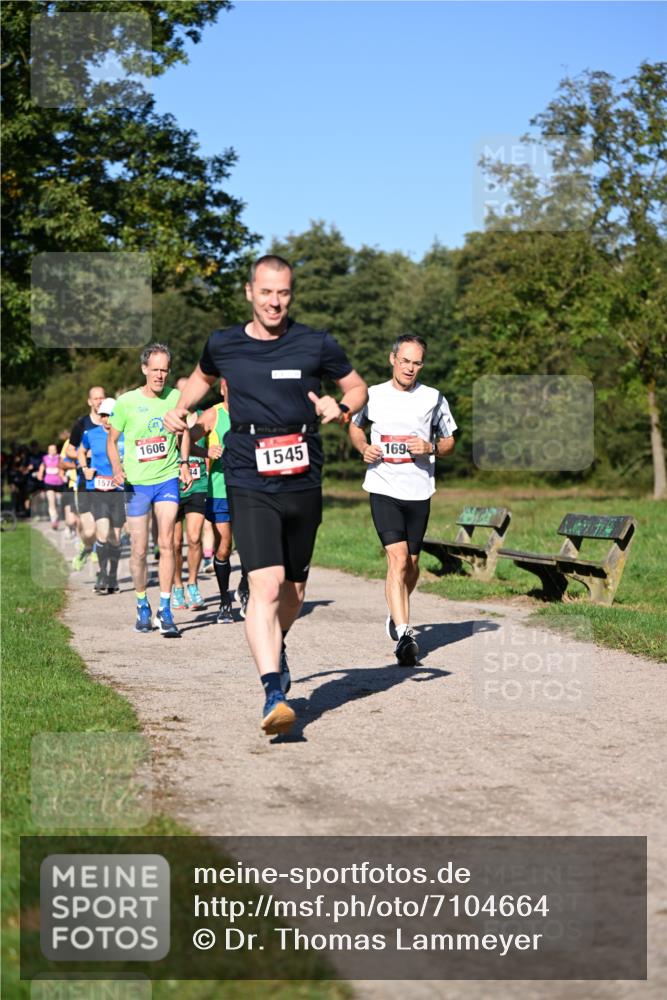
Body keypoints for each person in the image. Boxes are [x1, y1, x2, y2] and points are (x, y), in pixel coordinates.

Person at [165, 254, 367, 736]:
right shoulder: (224, 343)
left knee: (294, 592)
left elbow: (358, 388)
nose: (275, 301)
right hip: (246, 472)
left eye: (283, 293)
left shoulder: (315, 342)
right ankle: (273, 692)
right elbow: (200, 377)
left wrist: (338, 406)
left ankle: (277, 644)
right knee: (267, 585)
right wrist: (180, 407)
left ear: (290, 295)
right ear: (250, 293)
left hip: (302, 474)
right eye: (266, 292)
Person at [349, 334, 457, 665]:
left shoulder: (434, 398)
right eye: (405, 361)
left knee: (411, 564)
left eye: (417, 362)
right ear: (392, 360)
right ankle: (404, 633)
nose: (410, 368)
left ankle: (396, 611)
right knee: (396, 560)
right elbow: (355, 427)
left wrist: (432, 447)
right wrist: (363, 447)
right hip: (383, 487)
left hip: (419, 490)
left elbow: (450, 439)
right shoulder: (373, 395)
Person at [107, 344, 189, 637]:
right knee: (140, 549)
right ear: (144, 369)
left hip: (166, 477)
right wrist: (117, 468)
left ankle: (165, 609)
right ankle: (142, 603)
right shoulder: (126, 402)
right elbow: (112, 439)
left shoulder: (176, 397)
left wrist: (183, 462)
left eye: (164, 370)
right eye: (154, 370)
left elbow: (185, 431)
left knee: (167, 543)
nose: (159, 375)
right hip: (138, 484)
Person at [185, 378, 237, 623]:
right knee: (225, 545)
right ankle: (225, 601)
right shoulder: (213, 414)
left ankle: (246, 587)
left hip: (251, 489)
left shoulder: (256, 412)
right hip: (220, 490)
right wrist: (206, 452)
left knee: (252, 544)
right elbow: (185, 441)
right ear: (223, 387)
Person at [79, 398, 126, 595]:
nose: (107, 420)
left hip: (119, 491)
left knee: (115, 538)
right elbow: (81, 452)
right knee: (102, 533)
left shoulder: (126, 435)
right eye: (104, 416)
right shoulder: (91, 434)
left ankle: (113, 575)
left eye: (110, 415)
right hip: (97, 489)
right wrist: (85, 469)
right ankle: (101, 573)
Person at [171, 378, 207, 614]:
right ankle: (176, 586)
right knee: (174, 543)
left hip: (198, 484)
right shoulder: (170, 418)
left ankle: (192, 583)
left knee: (194, 538)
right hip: (172, 486)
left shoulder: (204, 417)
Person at [68, 386, 106, 570]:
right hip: (86, 480)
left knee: (104, 524)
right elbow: (69, 449)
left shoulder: (111, 423)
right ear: (89, 402)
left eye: (102, 398)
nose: (99, 401)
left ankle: (98, 556)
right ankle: (86, 546)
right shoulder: (82, 424)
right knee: (89, 529)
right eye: (96, 398)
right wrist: (85, 455)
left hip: (106, 480)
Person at [38, 444, 65, 529]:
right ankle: (54, 520)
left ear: (56, 450)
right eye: (50, 450)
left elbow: (62, 467)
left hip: (59, 482)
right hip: (48, 482)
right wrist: (40, 473)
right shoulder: (45, 458)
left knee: (59, 501)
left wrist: (62, 475)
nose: (52, 451)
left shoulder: (60, 458)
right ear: (48, 450)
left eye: (54, 449)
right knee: (51, 502)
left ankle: (58, 516)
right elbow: (42, 466)